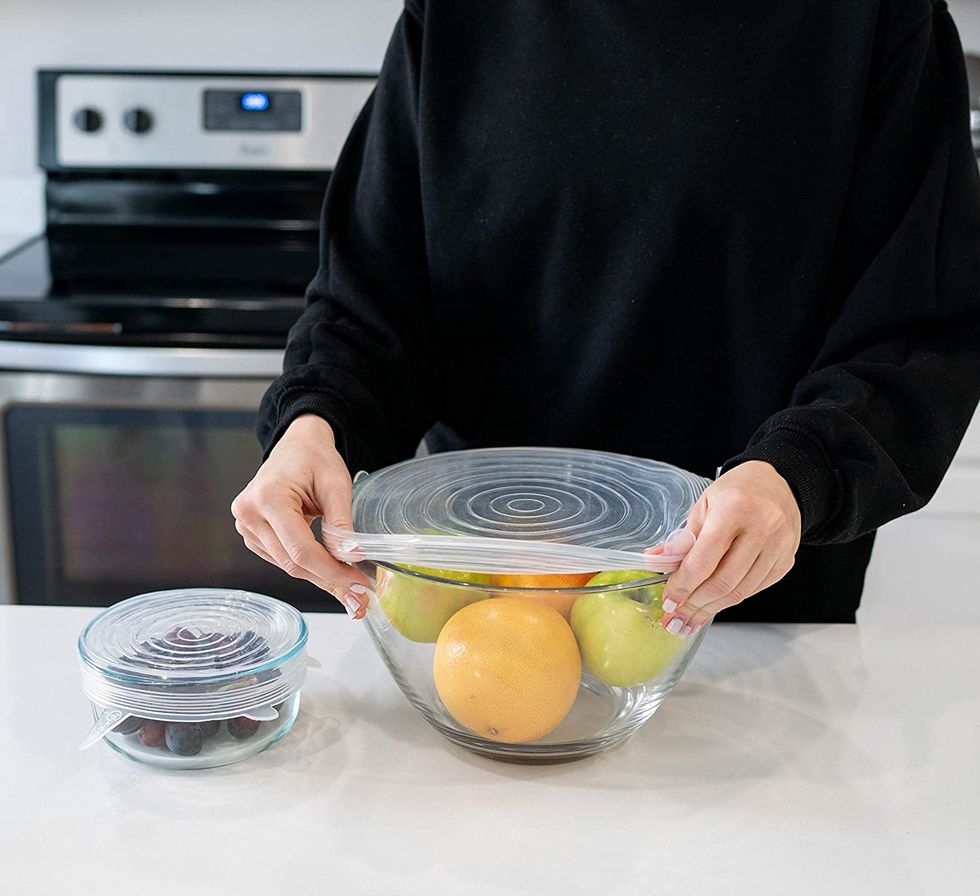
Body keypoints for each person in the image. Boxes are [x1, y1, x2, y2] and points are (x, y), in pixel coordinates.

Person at [233, 0, 980, 633]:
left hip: (742, 607)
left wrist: (797, 475)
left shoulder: (876, 16)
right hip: (489, 598)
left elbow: (914, 327)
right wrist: (316, 424)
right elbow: (377, 299)